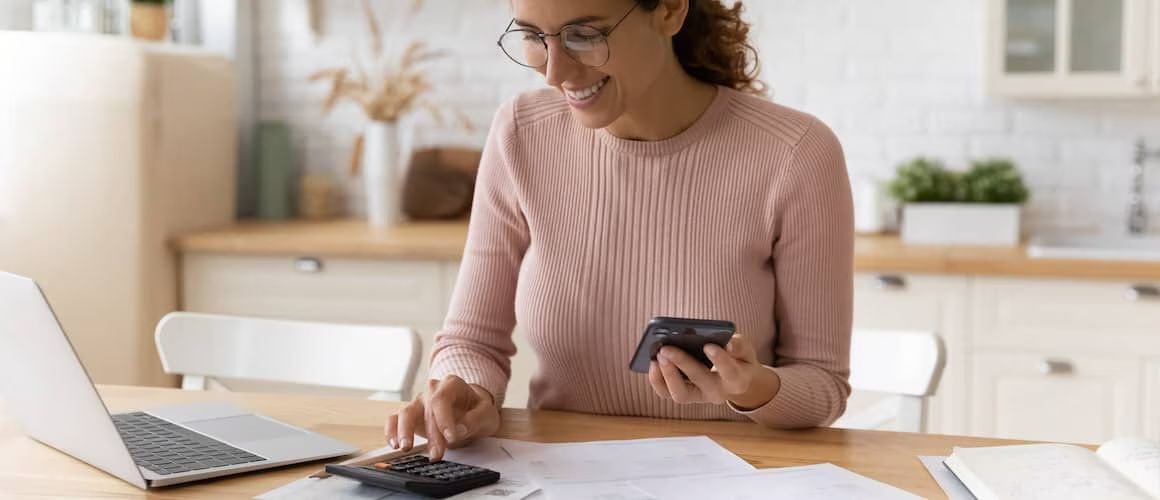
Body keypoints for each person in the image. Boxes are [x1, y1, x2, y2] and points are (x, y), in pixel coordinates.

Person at [386, 0, 854, 460]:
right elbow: (472, 341)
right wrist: (467, 394)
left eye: (585, 34)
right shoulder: (521, 133)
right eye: (533, 36)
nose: (553, 72)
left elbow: (822, 383)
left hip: (730, 478)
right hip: (559, 478)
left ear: (670, 10)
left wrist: (752, 388)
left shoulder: (795, 153)